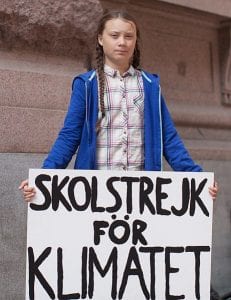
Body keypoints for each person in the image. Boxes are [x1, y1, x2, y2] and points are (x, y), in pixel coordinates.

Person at [19, 10, 218, 201]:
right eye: (114, 35)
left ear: (135, 41)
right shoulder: (87, 85)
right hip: (95, 191)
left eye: (129, 36)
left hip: (143, 192)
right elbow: (69, 136)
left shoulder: (149, 86)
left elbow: (169, 139)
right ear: (100, 39)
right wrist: (43, 178)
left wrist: (198, 179)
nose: (122, 42)